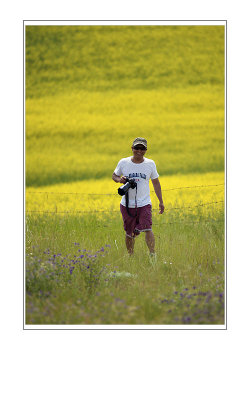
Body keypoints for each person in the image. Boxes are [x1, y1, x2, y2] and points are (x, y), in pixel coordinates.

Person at [112, 137, 164, 258]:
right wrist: (120, 180)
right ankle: (131, 256)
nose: (139, 151)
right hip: (126, 204)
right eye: (137, 148)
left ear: (146, 150)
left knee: (147, 228)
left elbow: (156, 183)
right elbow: (114, 175)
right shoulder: (123, 162)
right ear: (132, 148)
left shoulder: (150, 164)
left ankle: (152, 256)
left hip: (144, 203)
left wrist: (161, 202)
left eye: (142, 148)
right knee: (129, 233)